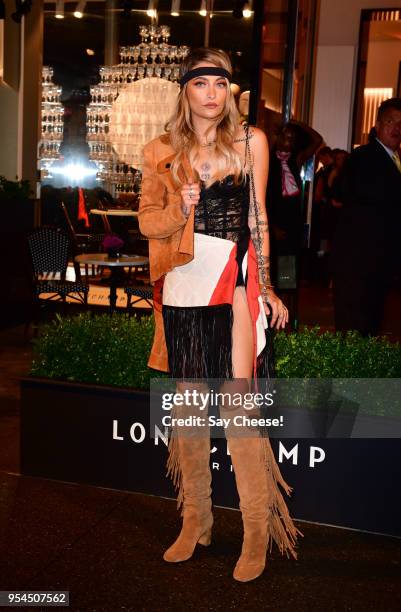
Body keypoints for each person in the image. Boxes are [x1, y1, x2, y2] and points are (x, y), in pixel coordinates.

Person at [138, 47, 301, 583]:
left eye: (220, 82)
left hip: (233, 280)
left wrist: (270, 286)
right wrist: (181, 208)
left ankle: (256, 532)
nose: (211, 92)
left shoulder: (249, 140)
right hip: (184, 284)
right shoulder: (161, 149)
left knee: (237, 408)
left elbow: (259, 219)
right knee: (188, 410)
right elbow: (147, 225)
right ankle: (195, 522)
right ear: (185, 90)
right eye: (200, 82)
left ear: (231, 90)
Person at [331, 98, 401, 335]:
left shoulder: (394, 158)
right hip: (360, 260)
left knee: (371, 322)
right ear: (378, 125)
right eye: (391, 121)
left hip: (378, 260)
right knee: (357, 326)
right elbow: (347, 194)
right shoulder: (365, 156)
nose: (396, 128)